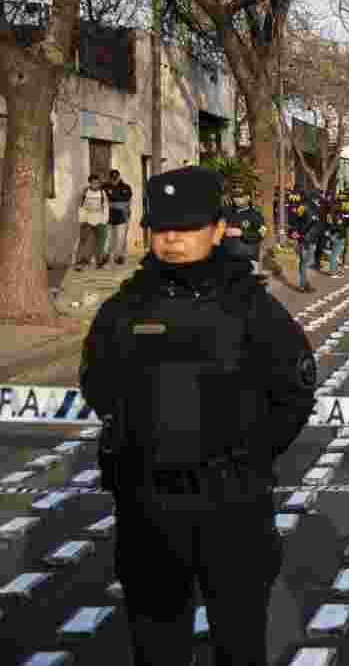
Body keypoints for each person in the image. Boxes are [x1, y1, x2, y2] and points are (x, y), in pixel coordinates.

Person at [79, 165, 315, 666]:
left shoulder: (252, 307)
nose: (172, 239)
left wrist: (249, 455)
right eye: (162, 228)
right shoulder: (125, 307)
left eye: (186, 228)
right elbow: (97, 380)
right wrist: (137, 435)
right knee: (156, 642)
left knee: (239, 640)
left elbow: (294, 391)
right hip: (149, 505)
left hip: (232, 505)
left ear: (214, 229)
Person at [75, 174, 110, 271]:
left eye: (97, 183)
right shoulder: (85, 192)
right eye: (93, 183)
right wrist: (82, 219)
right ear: (90, 183)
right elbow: (81, 207)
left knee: (101, 242)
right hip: (87, 219)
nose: (95, 184)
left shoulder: (103, 193)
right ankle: (81, 263)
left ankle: (100, 263)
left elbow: (106, 207)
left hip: (100, 219)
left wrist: (104, 220)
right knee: (84, 242)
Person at [102, 169, 134, 266]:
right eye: (112, 177)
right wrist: (116, 202)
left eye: (116, 177)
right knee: (107, 237)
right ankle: (105, 256)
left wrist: (113, 202)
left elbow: (127, 201)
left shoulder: (126, 186)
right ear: (110, 178)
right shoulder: (105, 186)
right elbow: (103, 200)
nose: (114, 179)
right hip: (108, 215)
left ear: (119, 177)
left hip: (122, 215)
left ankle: (119, 256)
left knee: (121, 237)